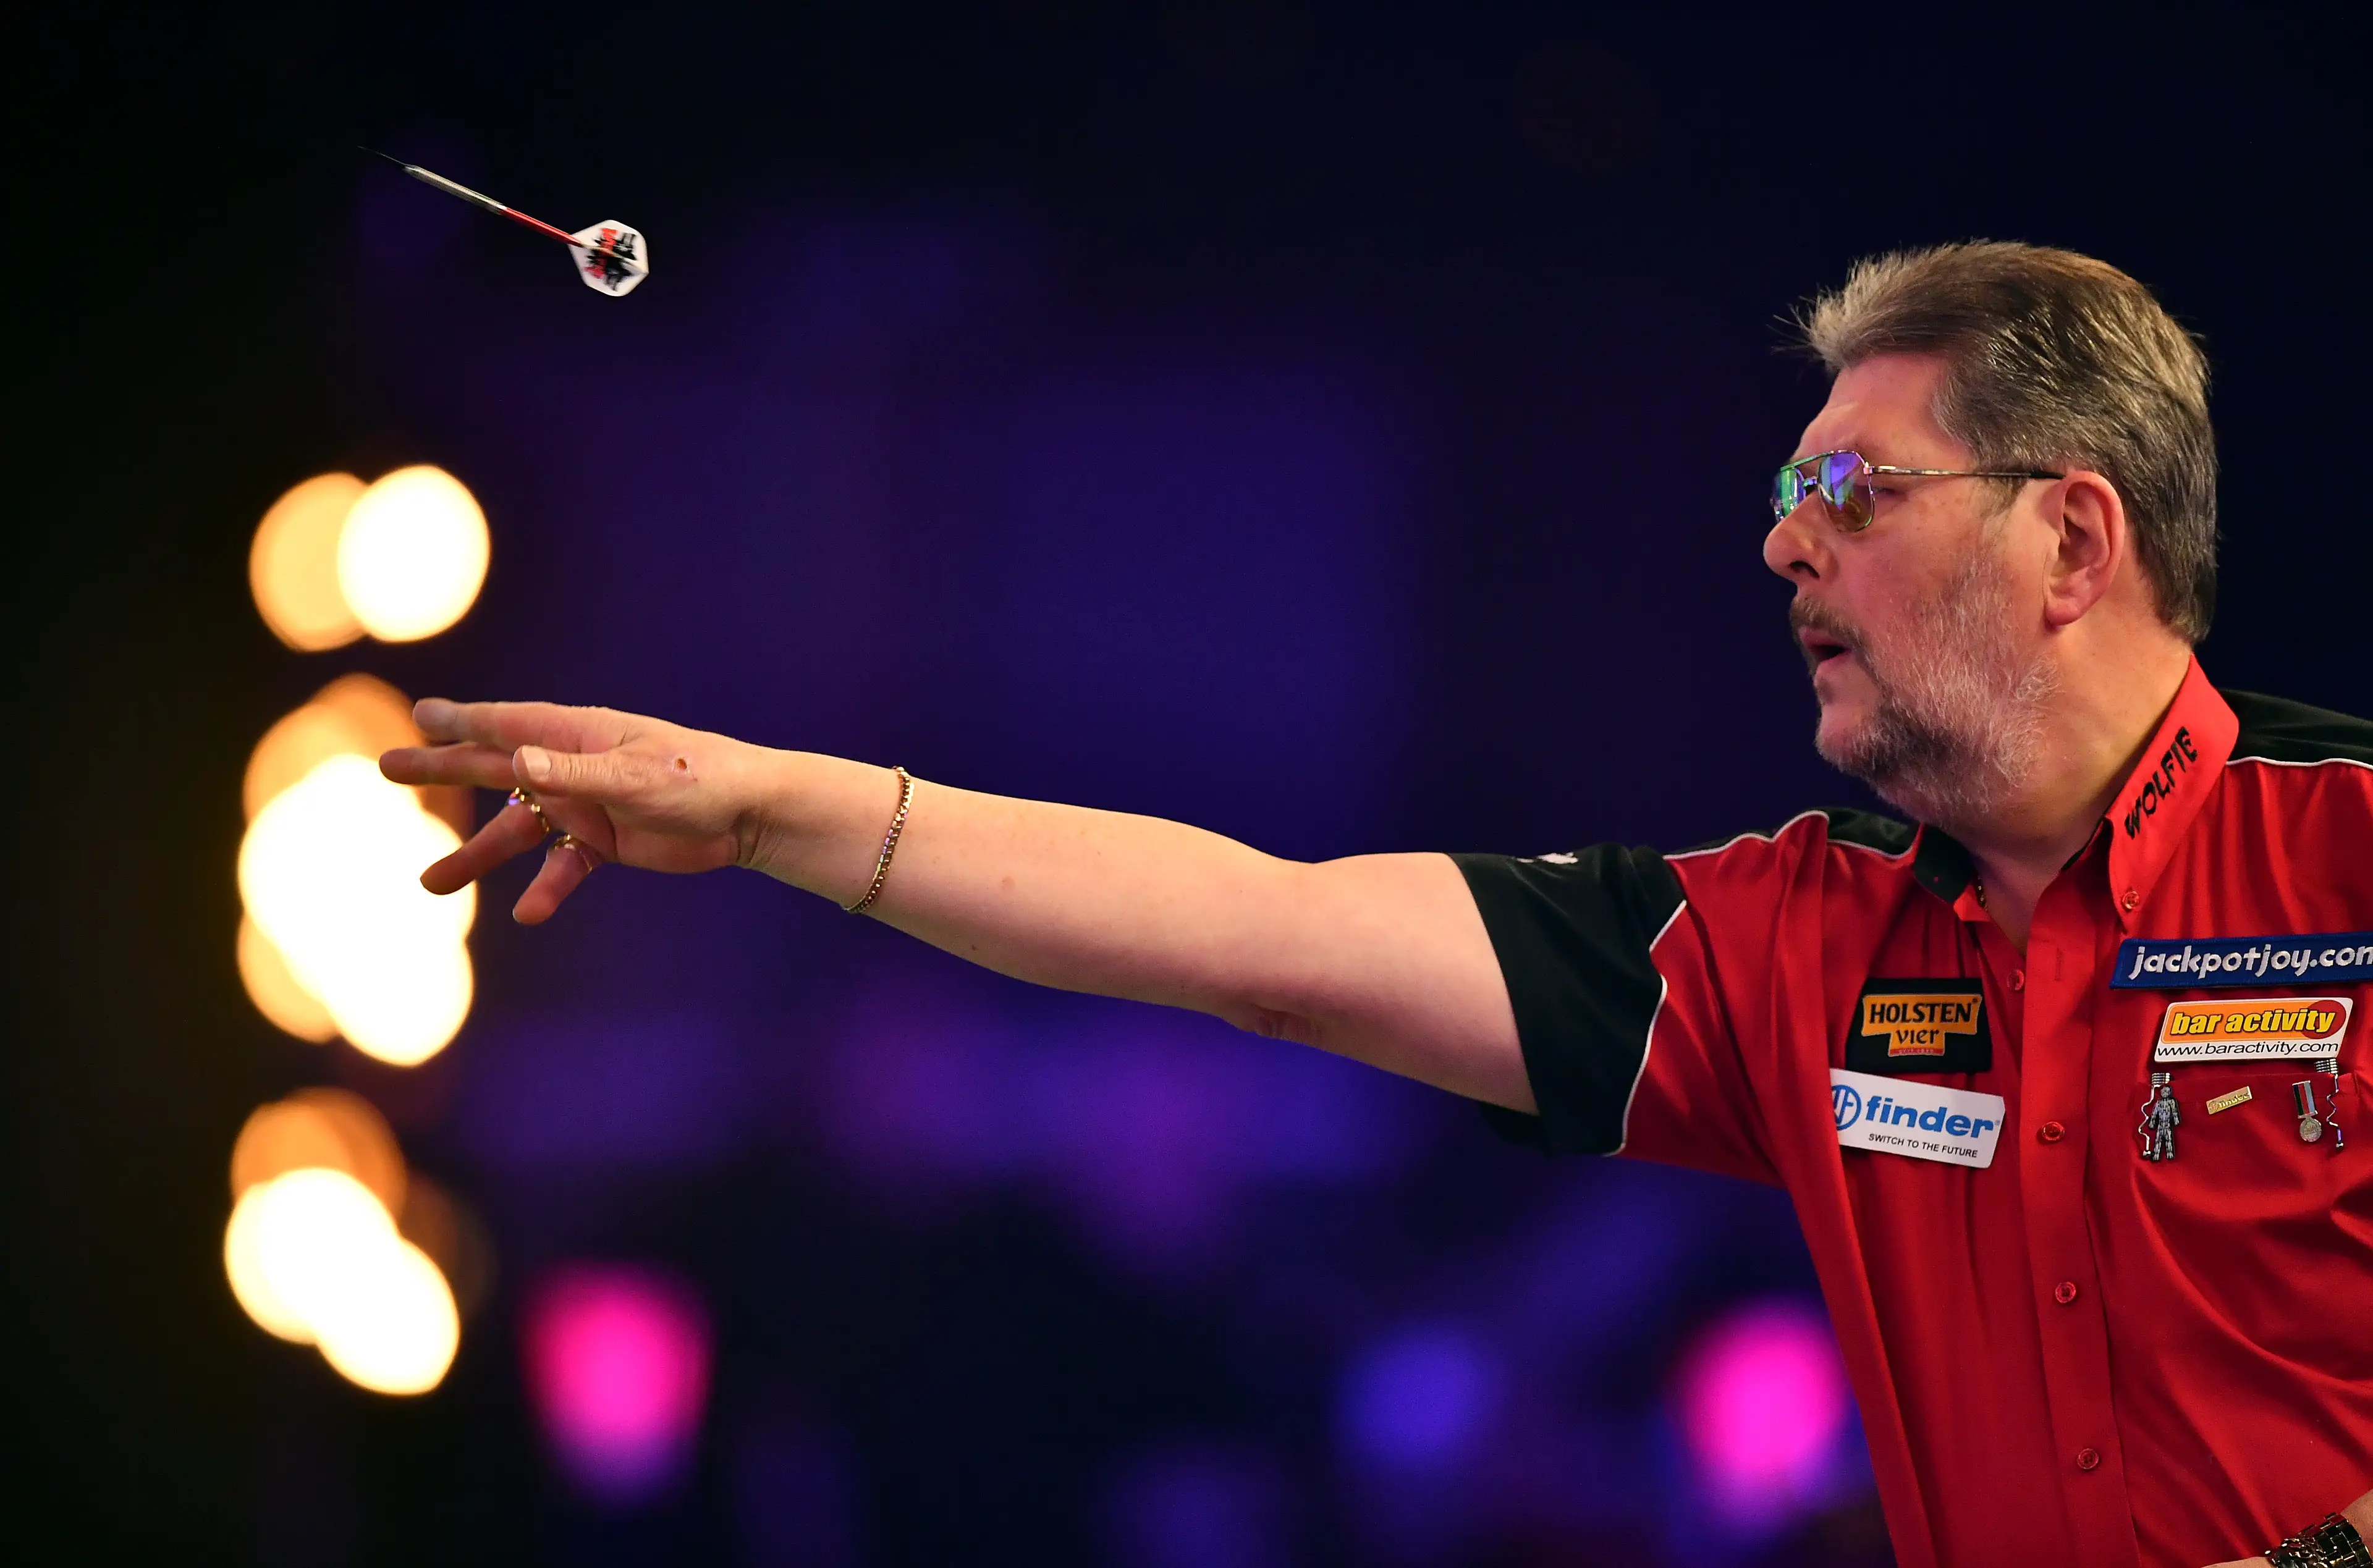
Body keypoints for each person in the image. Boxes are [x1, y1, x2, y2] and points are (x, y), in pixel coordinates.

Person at [382, 243, 2373, 1568]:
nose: (1782, 543)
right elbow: (1263, 936)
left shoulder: (2347, 856)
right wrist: (765, 813)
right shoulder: (1794, 948)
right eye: (1788, 488)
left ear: (2072, 536)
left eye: (1854, 490)